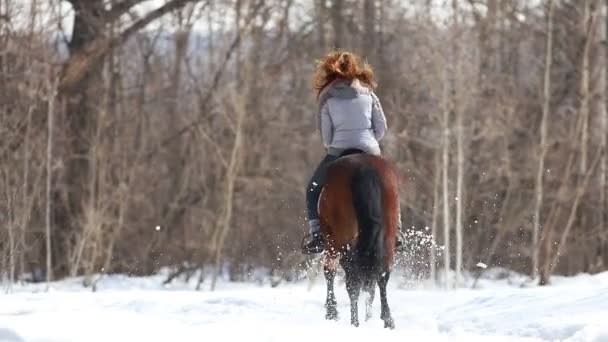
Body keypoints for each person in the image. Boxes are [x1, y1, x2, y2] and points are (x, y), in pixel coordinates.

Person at [302, 51, 403, 254]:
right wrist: (370, 141)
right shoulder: (368, 93)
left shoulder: (327, 98)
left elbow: (326, 136)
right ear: (356, 69)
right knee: (391, 187)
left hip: (339, 150)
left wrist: (335, 146)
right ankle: (398, 230)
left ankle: (316, 235)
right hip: (370, 149)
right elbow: (382, 127)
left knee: (313, 188)